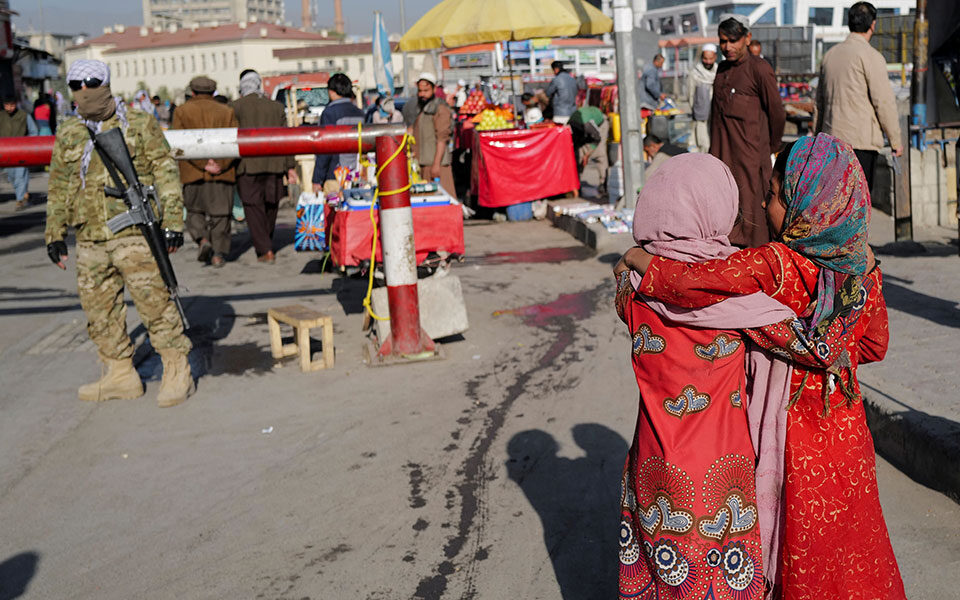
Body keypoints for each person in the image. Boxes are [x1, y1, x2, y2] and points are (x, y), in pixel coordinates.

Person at [620, 134, 907, 600]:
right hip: (847, 442)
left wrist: (641, 262)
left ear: (802, 206)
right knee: (850, 553)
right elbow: (873, 346)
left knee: (799, 557)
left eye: (774, 196)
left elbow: (699, 281)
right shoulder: (861, 272)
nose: (764, 205)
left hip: (793, 442)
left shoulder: (778, 266)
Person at [613, 153, 799, 600]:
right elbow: (803, 341)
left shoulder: (633, 289)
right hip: (720, 479)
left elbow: (624, 287)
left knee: (664, 577)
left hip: (652, 467)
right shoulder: (734, 293)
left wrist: (635, 258)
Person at [45, 59, 193, 408]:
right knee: (100, 311)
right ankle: (119, 374)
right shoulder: (69, 132)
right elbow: (59, 186)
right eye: (77, 84)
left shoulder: (138, 123)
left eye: (92, 81)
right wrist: (54, 234)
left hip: (133, 232)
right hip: (90, 237)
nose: (85, 90)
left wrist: (172, 222)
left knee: (155, 304)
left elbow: (165, 171)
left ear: (106, 83)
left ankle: (176, 369)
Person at [710, 14, 785, 248]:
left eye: (733, 40)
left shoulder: (759, 69)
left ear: (747, 38)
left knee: (755, 222)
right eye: (723, 41)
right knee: (724, 213)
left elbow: (777, 114)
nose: (728, 47)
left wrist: (769, 149)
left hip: (752, 161)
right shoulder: (721, 70)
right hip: (722, 157)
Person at [816, 1, 903, 195]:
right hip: (860, 144)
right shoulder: (871, 56)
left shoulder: (829, 56)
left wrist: (816, 138)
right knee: (858, 206)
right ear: (873, 24)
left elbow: (819, 104)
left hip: (831, 144)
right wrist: (895, 141)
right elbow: (884, 102)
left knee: (833, 202)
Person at [231, 69, 298, 264]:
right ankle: (266, 242)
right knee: (271, 205)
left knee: (253, 209)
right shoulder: (275, 107)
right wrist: (290, 167)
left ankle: (265, 249)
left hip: (247, 166)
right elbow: (286, 140)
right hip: (274, 164)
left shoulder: (235, 107)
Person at [171, 75, 239, 268]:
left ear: (192, 92)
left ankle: (202, 240)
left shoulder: (182, 111)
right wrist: (220, 164)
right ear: (213, 92)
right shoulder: (227, 111)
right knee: (221, 215)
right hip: (222, 172)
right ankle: (218, 254)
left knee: (194, 212)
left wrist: (202, 163)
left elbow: (178, 144)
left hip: (193, 172)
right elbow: (234, 141)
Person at [403, 72, 456, 195]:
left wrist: (436, 165)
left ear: (434, 89)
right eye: (420, 91)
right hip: (422, 165)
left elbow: (442, 139)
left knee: (444, 202)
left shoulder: (440, 109)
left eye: (426, 90)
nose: (422, 94)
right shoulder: (421, 108)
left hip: (436, 166)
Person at [312, 72, 364, 197]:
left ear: (331, 91)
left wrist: (317, 179)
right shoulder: (359, 112)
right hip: (356, 173)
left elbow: (325, 148)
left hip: (334, 175)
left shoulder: (329, 113)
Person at [1, 95, 38, 209]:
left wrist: (28, 146)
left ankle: (20, 199)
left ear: (16, 104)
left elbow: (33, 132)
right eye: (7, 105)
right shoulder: (1, 116)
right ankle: (24, 194)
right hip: (6, 152)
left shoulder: (24, 116)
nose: (9, 108)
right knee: (11, 176)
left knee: (20, 176)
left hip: (21, 151)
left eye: (12, 105)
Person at [687, 44, 717, 153]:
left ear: (715, 57)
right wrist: (697, 109)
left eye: (710, 59)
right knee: (703, 143)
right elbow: (690, 95)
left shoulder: (719, 72)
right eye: (705, 58)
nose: (708, 62)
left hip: (716, 115)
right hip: (701, 116)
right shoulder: (695, 74)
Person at [545, 60, 578, 124]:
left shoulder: (556, 79)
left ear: (556, 69)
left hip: (560, 113)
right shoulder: (572, 79)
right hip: (572, 112)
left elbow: (548, 93)